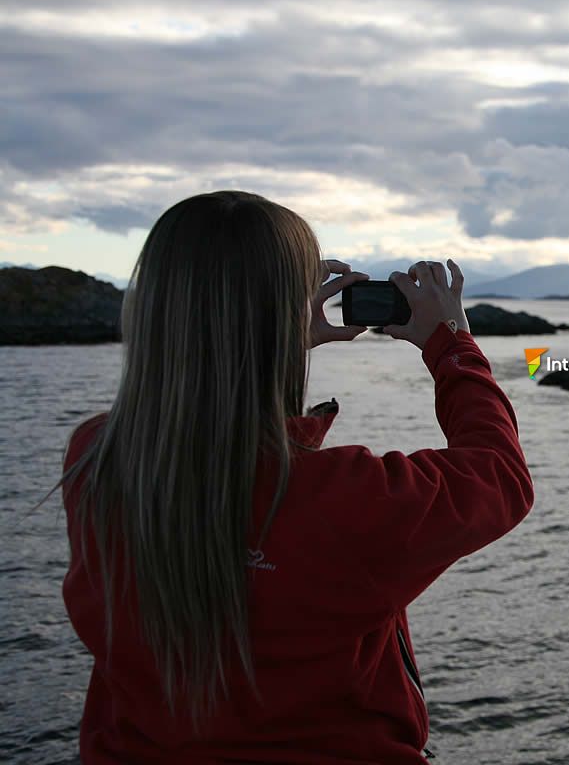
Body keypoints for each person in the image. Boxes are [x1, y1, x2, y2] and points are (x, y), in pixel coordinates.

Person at [49, 190, 535, 763]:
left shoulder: (97, 461)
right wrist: (449, 342)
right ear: (290, 313)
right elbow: (500, 475)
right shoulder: (348, 496)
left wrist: (271, 337)